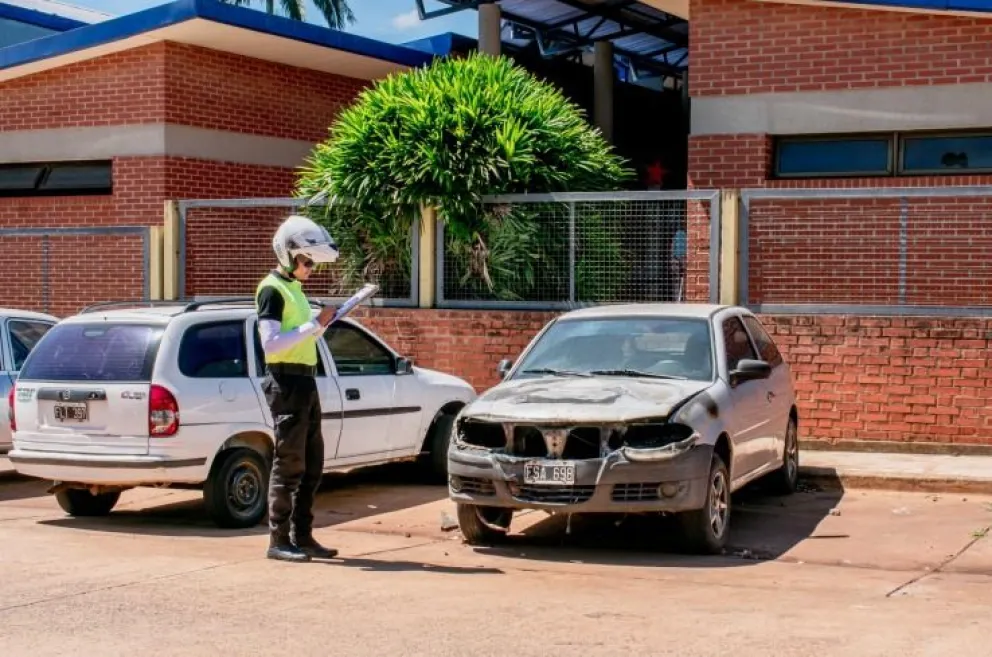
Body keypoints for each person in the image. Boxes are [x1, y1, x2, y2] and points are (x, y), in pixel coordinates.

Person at [255, 214, 340, 563]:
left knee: (312, 464)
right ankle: (278, 540)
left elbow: (302, 335)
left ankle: (302, 536)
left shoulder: (296, 290)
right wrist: (313, 325)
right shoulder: (272, 290)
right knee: (289, 463)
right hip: (286, 380)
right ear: (288, 255)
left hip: (306, 379)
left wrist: (322, 325)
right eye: (306, 262)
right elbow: (271, 344)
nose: (310, 268)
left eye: (312, 263)